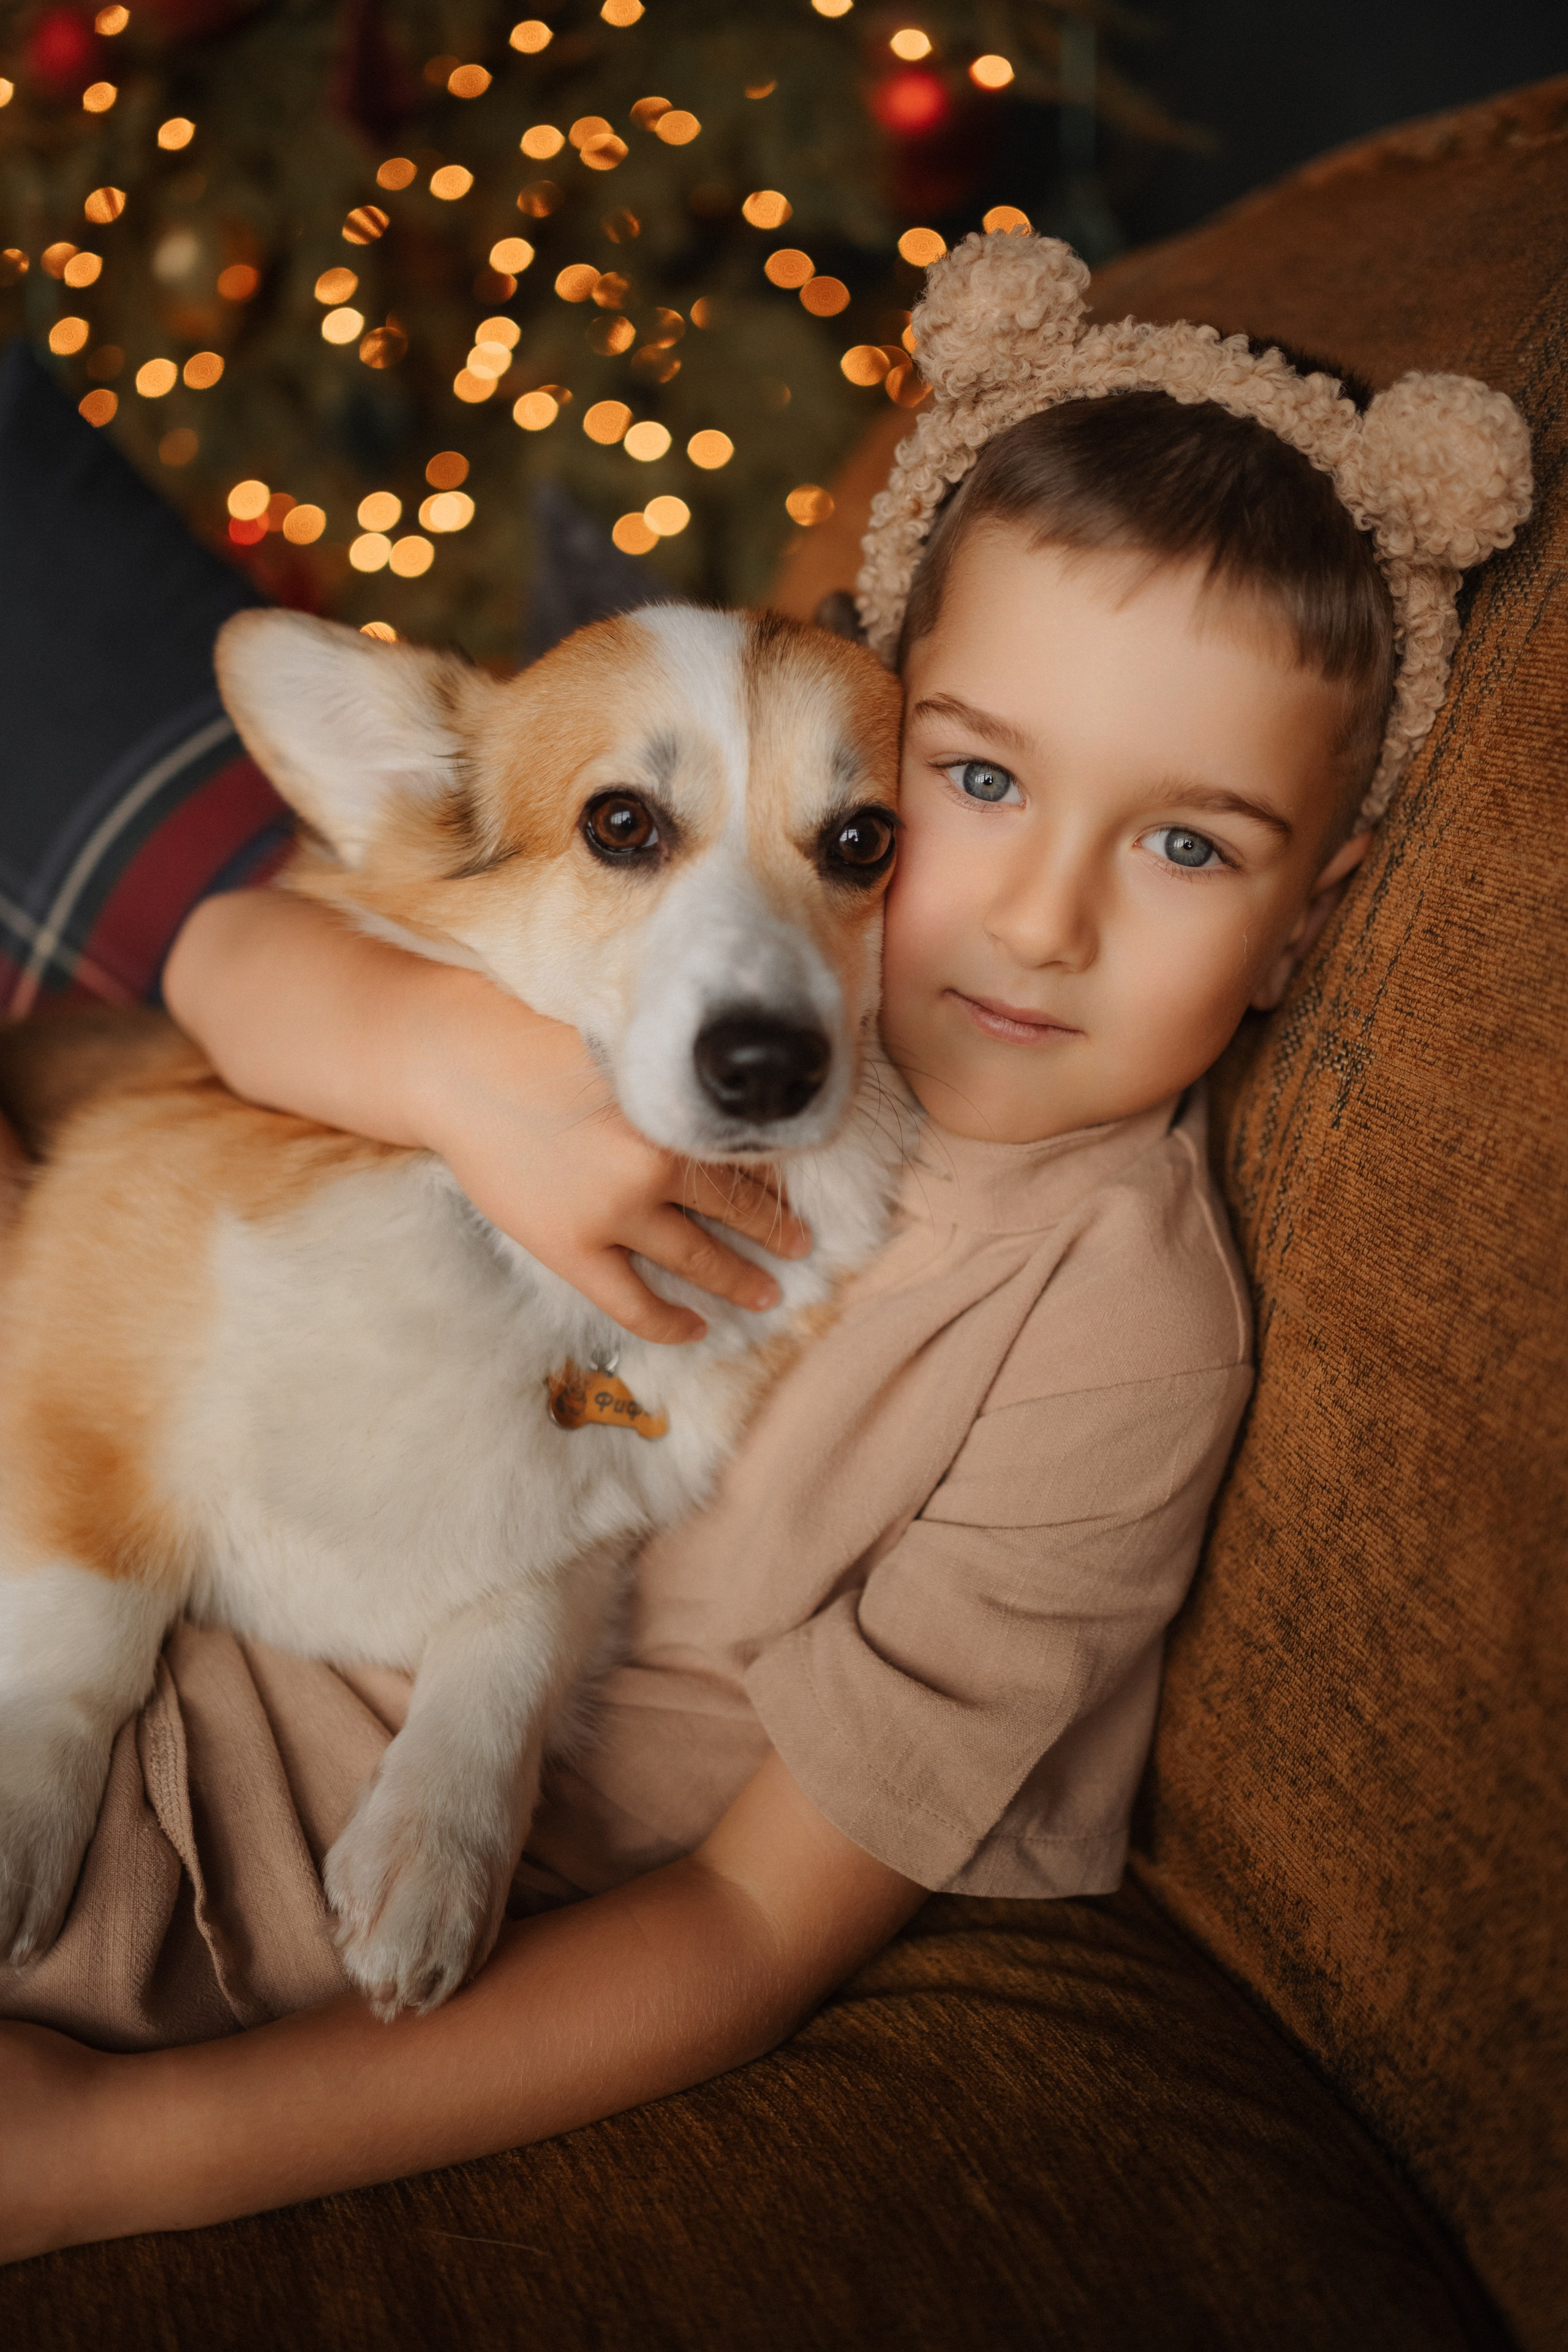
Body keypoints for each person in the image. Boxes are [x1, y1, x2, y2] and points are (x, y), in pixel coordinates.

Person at [0, 232, 1529, 2262]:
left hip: (212, 1842)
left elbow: (741, 1919)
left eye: (1186, 841)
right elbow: (250, 962)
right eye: (979, 783)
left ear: (1310, 910)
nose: (1045, 917)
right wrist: (460, 1071)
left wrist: (115, 2163)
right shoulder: (611, 1011)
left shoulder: (1108, 1342)